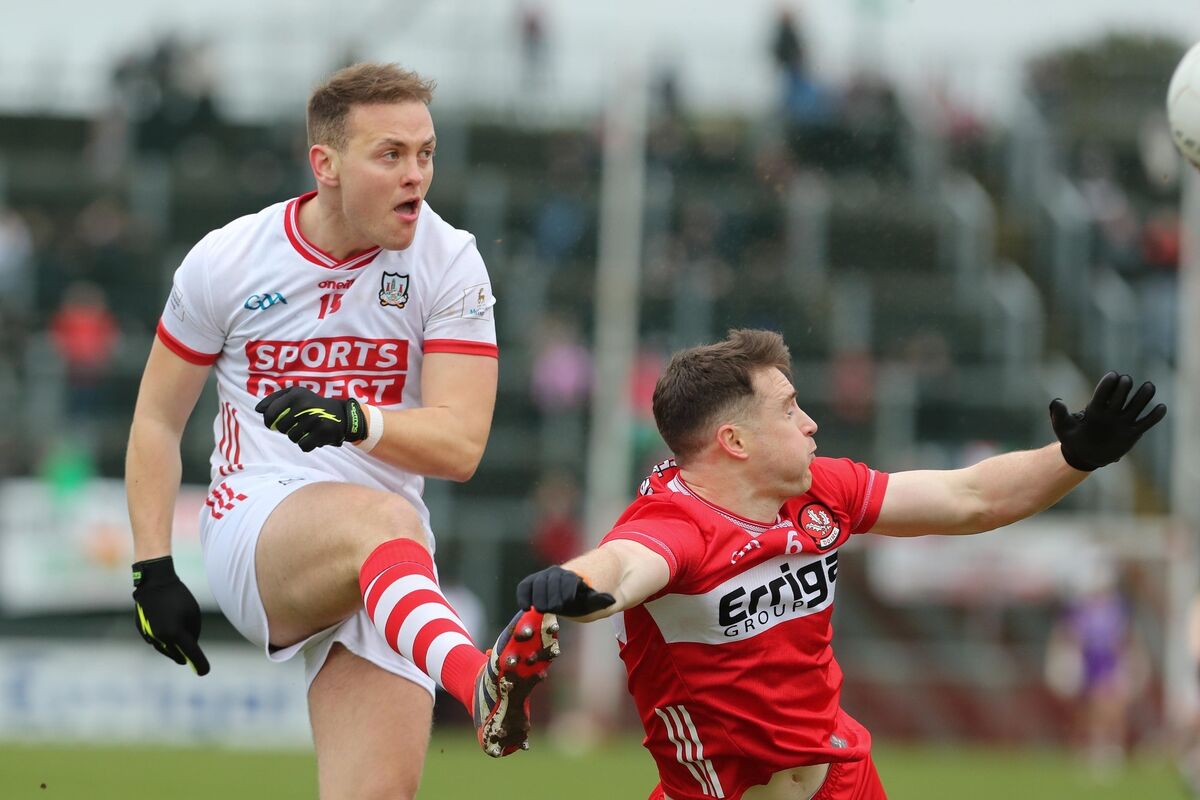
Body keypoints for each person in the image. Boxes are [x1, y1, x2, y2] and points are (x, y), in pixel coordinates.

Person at [125, 63, 559, 799]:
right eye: (390, 154)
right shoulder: (227, 259)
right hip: (257, 522)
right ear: (324, 164)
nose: (415, 175)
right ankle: (477, 682)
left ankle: (468, 675)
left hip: (389, 569)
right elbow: (156, 420)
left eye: (425, 153)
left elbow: (461, 446)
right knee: (385, 520)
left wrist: (357, 420)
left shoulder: (450, 261)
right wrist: (153, 569)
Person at [516, 329, 1166, 800]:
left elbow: (969, 498)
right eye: (788, 409)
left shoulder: (820, 489)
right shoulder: (675, 523)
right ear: (734, 441)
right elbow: (623, 566)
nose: (810, 423)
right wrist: (574, 586)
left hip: (844, 778)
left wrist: (1075, 457)